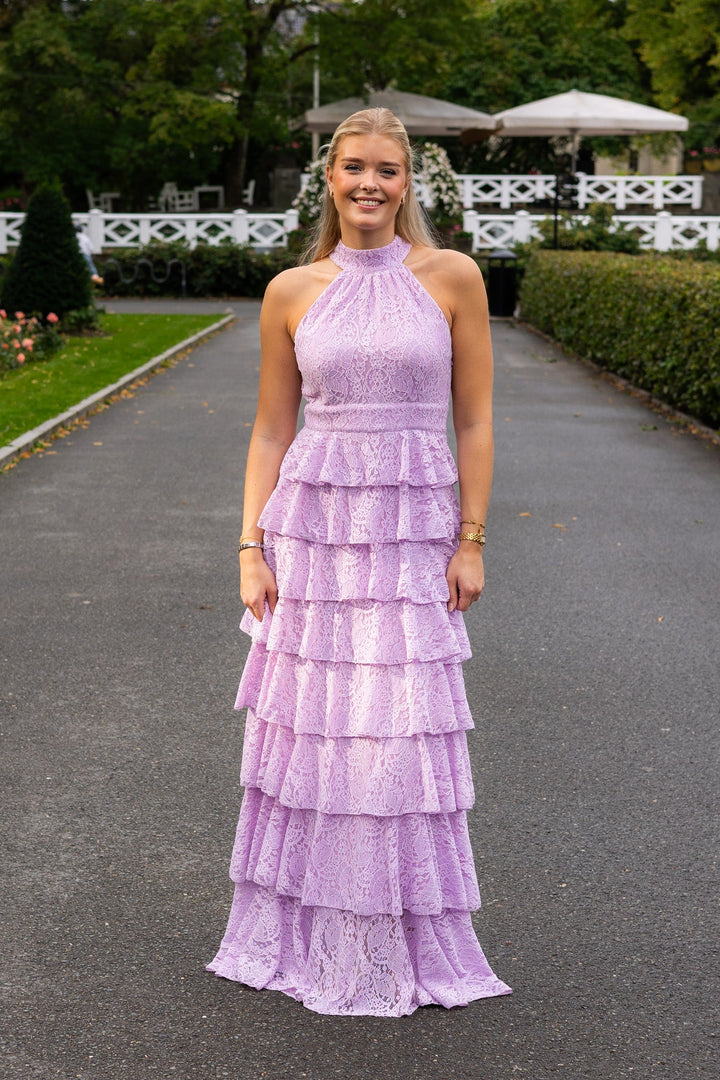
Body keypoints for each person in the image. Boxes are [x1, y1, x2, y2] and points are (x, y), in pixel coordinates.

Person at [207, 107, 512, 1016]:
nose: (369, 183)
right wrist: (250, 547)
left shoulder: (453, 277)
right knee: (320, 734)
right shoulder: (291, 291)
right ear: (328, 178)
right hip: (317, 537)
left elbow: (475, 419)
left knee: (395, 731)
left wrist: (472, 536)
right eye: (353, 168)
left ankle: (399, 938)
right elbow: (272, 427)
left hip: (416, 533)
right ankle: (316, 938)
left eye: (386, 168)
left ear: (408, 180)